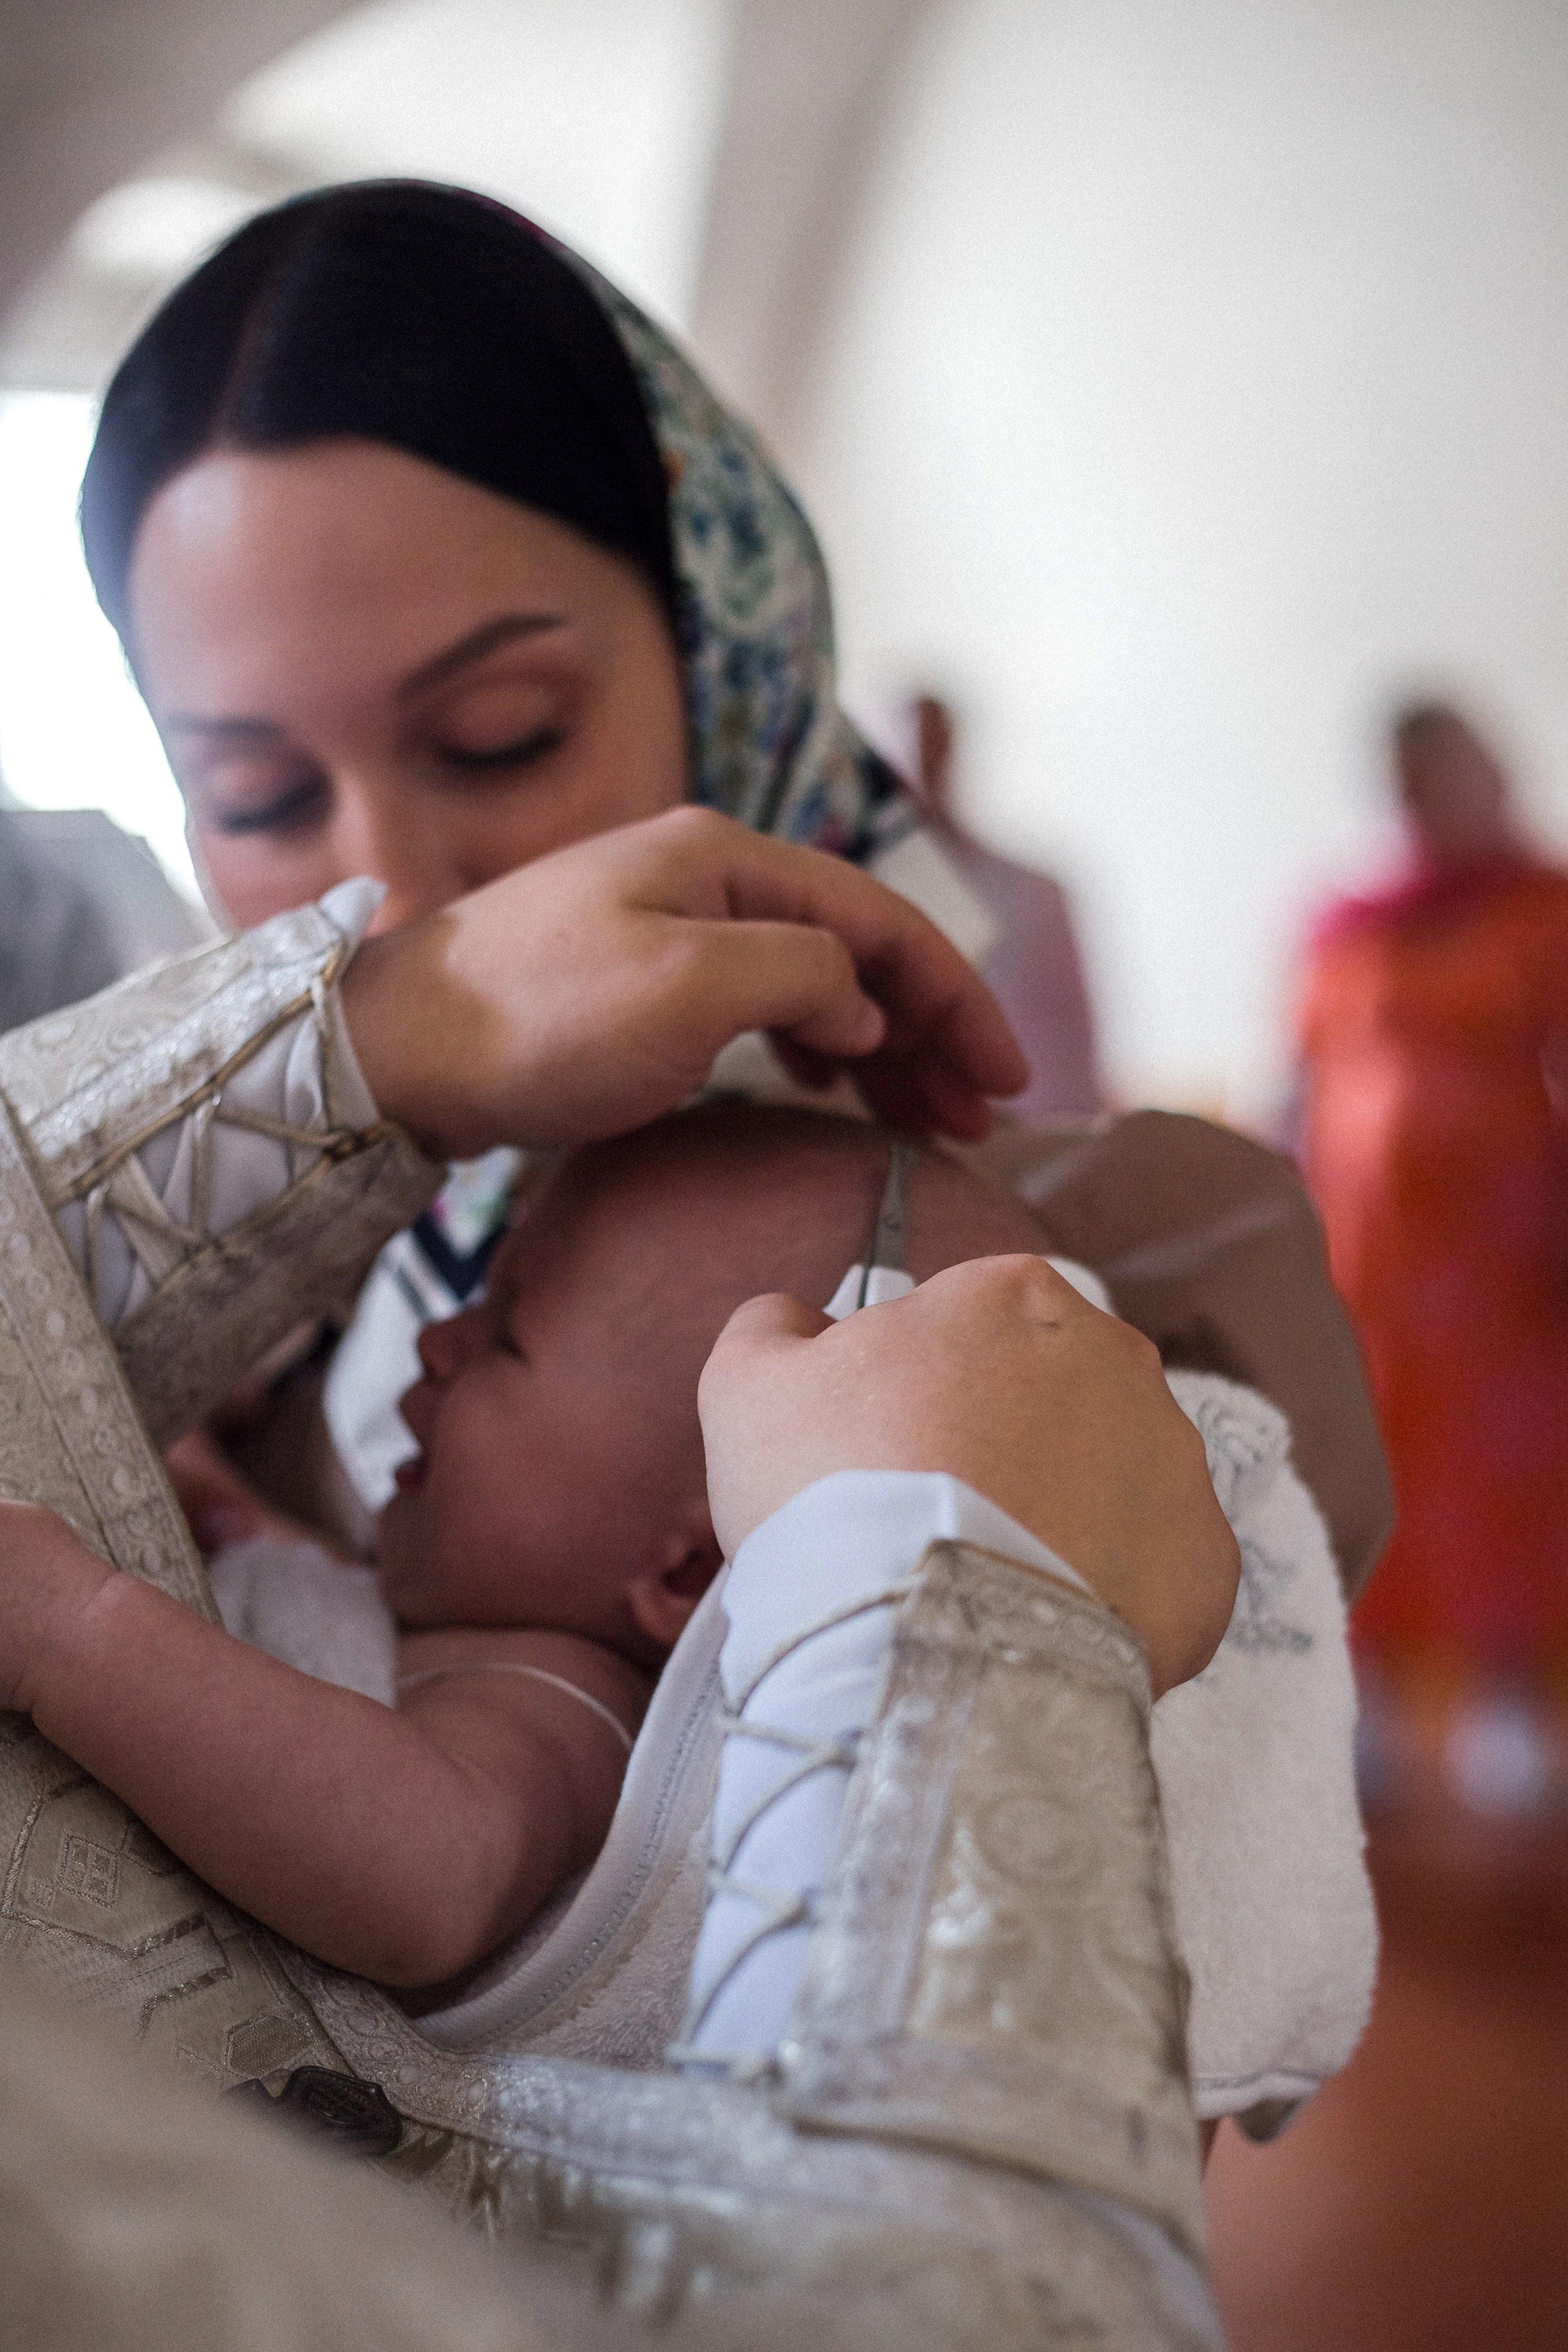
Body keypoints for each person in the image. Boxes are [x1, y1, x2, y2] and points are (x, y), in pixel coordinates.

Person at [1297, 701, 1568, 1803]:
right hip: (1372, 1260)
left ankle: (1510, 1697)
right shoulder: (1348, 919)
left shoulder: (1542, 906)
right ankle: (1375, 1695)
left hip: (1505, 1251)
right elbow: (1301, 1073)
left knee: (1512, 1468)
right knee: (1366, 1459)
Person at [908, 692, 1102, 1118]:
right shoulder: (857, 893)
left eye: (930, 740)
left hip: (1027, 1129)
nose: (917, 759)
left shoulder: (1037, 896)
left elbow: (1074, 1052)